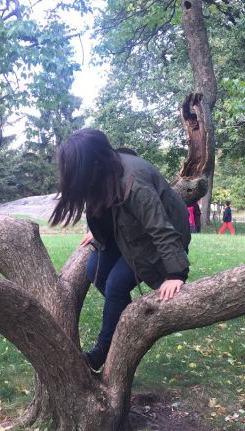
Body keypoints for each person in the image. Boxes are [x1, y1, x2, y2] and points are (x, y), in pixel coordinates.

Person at [49, 129, 191, 371]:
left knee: (115, 285)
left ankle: (102, 351)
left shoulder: (134, 183)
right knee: (94, 269)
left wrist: (176, 273)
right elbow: (105, 203)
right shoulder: (103, 171)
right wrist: (97, 229)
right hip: (126, 230)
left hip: (153, 237)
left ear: (94, 162)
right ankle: (128, 319)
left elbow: (161, 228)